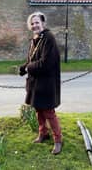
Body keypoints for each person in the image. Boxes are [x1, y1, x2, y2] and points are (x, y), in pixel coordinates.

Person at [19, 11, 62, 155]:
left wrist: (28, 67)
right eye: (32, 23)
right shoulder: (35, 39)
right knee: (38, 110)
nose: (34, 25)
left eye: (37, 22)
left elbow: (46, 63)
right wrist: (23, 68)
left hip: (46, 84)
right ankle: (43, 134)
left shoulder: (49, 38)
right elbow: (31, 60)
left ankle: (58, 140)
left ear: (43, 23)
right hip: (35, 84)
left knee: (49, 112)